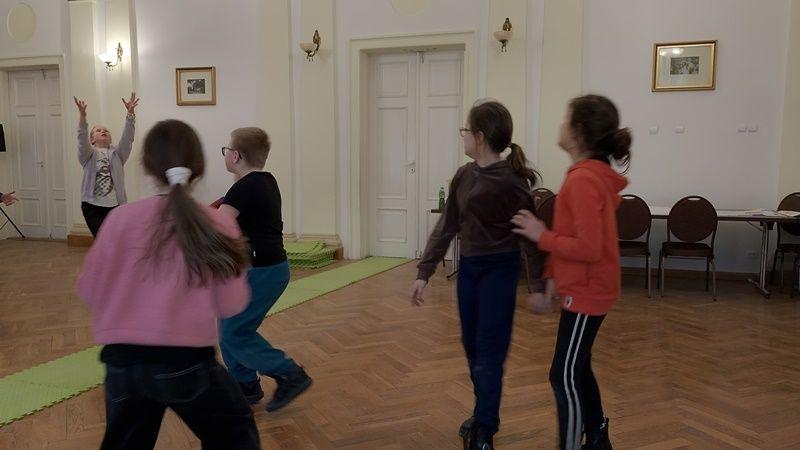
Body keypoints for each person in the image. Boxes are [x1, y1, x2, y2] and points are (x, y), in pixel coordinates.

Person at [76, 119, 261, 449]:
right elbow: (231, 304)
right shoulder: (216, 221)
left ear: (147, 167)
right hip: (186, 363)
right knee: (236, 435)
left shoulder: (119, 219)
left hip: (123, 364)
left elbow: (89, 290)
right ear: (198, 169)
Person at [410, 100, 546, 450]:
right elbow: (447, 225)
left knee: (490, 351)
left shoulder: (512, 182)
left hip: (500, 272)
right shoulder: (464, 175)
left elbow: (531, 238)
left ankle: (485, 426)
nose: (463, 136)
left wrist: (538, 286)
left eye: (465, 130)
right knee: (471, 345)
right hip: (470, 271)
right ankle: (483, 411)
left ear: (480, 136)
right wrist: (424, 272)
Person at [512, 94, 632, 450]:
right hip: (582, 287)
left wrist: (540, 235)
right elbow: (570, 234)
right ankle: (597, 434)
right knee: (578, 367)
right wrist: (551, 277)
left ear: (579, 131)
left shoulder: (583, 180)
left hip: (588, 292)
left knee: (562, 375)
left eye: (566, 119)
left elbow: (588, 247)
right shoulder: (586, 175)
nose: (560, 125)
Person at [218, 127, 312, 412]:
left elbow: (218, 227)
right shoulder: (265, 181)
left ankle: (290, 374)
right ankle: (245, 384)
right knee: (230, 326)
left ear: (236, 156)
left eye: (226, 150)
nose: (225, 154)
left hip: (262, 271)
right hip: (268, 269)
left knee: (235, 332)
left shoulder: (244, 187)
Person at [75, 93, 139, 236]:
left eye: (106, 130)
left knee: (115, 239)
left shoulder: (118, 154)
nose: (103, 131)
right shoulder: (88, 155)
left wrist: (130, 115)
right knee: (102, 239)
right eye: (98, 130)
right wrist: (83, 116)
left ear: (110, 139)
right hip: (92, 206)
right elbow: (81, 138)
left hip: (116, 206)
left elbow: (128, 138)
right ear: (92, 140)